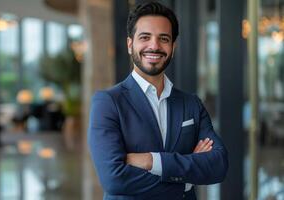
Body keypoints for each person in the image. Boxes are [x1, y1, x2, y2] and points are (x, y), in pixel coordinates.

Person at [87, 1, 228, 200]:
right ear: (130, 44)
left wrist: (151, 161)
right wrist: (186, 181)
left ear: (173, 47)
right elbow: (114, 179)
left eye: (163, 39)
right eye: (145, 37)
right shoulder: (108, 102)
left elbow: (218, 164)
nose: (154, 46)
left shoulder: (192, 104)